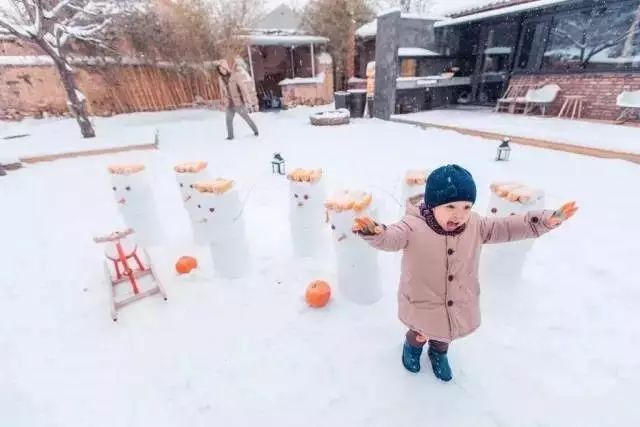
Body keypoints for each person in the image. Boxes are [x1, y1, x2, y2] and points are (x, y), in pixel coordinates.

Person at [352, 164, 578, 382]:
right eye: (451, 207)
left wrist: (543, 221)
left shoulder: (475, 226)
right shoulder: (412, 226)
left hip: (458, 298)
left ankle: (439, 353)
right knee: (420, 331)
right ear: (432, 205)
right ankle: (412, 346)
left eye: (466, 207)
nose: (459, 215)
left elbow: (507, 227)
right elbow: (391, 237)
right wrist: (376, 232)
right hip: (422, 298)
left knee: (445, 333)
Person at [215, 58, 259, 140]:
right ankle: (230, 136)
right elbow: (222, 91)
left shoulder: (235, 76)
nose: (221, 71)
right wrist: (222, 101)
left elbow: (243, 88)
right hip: (229, 104)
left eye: (222, 68)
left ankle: (256, 131)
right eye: (220, 69)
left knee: (246, 118)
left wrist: (249, 100)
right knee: (228, 120)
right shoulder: (220, 79)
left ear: (226, 68)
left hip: (238, 103)